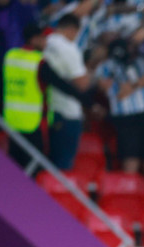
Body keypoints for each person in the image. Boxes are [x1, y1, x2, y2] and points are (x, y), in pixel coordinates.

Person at [4, 23, 84, 170]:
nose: (46, 42)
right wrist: (84, 99)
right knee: (33, 167)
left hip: (12, 121)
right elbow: (60, 84)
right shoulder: (38, 62)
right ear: (34, 40)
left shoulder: (11, 56)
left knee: (15, 166)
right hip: (33, 123)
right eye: (43, 39)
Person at [96, 31, 144, 192]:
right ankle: (129, 195)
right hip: (124, 116)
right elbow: (102, 84)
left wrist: (133, 85)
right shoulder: (106, 66)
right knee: (130, 159)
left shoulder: (141, 60)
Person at [44, 14, 91, 171]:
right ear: (72, 30)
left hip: (50, 109)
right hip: (68, 112)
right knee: (63, 165)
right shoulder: (69, 48)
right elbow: (82, 84)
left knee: (50, 161)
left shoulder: (46, 42)